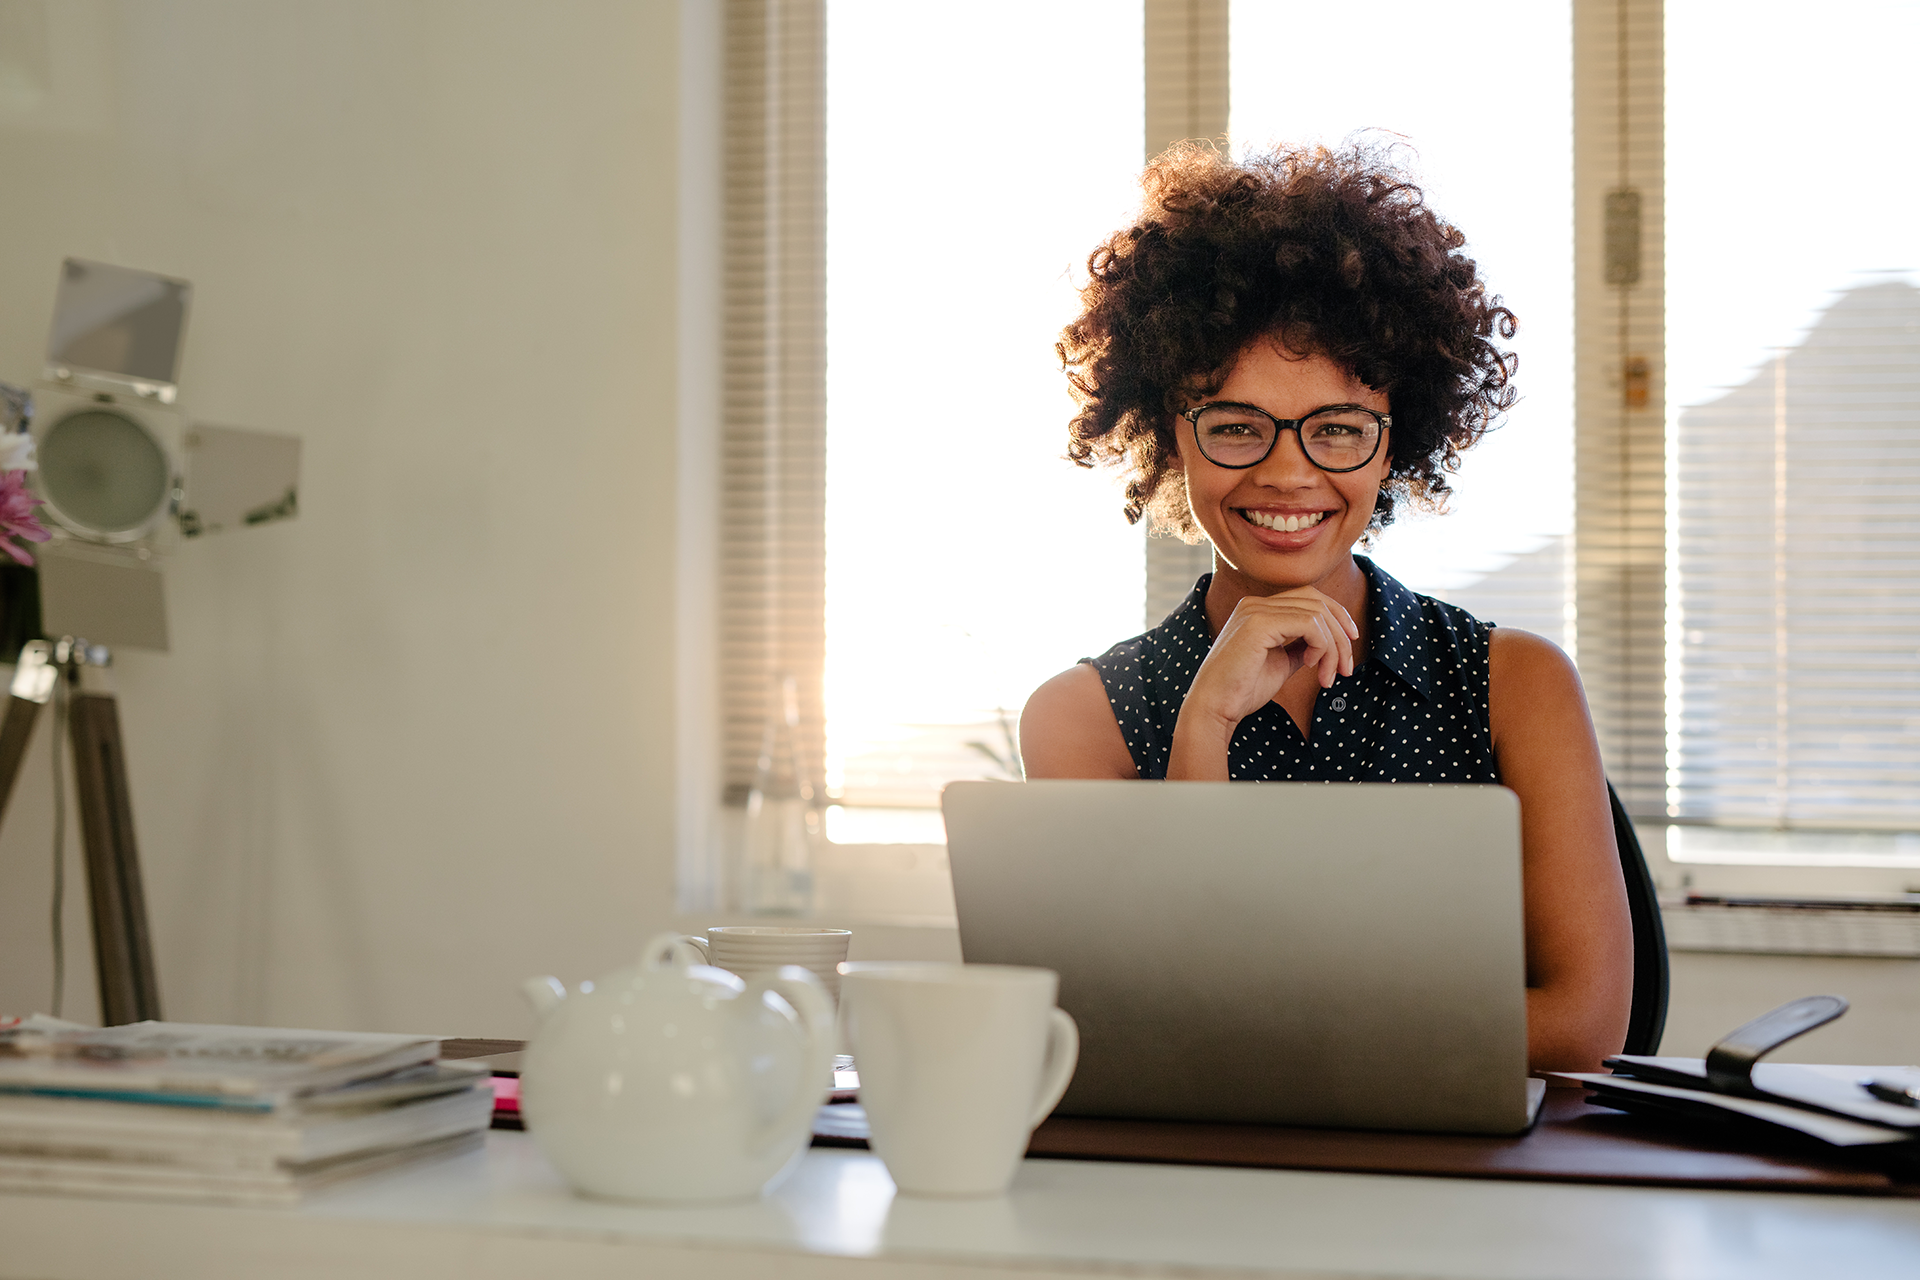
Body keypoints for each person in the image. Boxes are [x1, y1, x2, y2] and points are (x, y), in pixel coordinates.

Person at [1020, 141, 1632, 1074]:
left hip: (1468, 1183)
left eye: (1338, 428)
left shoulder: (1519, 684)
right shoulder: (1081, 719)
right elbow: (1139, 1013)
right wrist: (1205, 730)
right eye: (1235, 425)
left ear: (1397, 442)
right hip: (1203, 1186)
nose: (1287, 471)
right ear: (1170, 438)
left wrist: (1279, 1031)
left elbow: (1585, 1023)